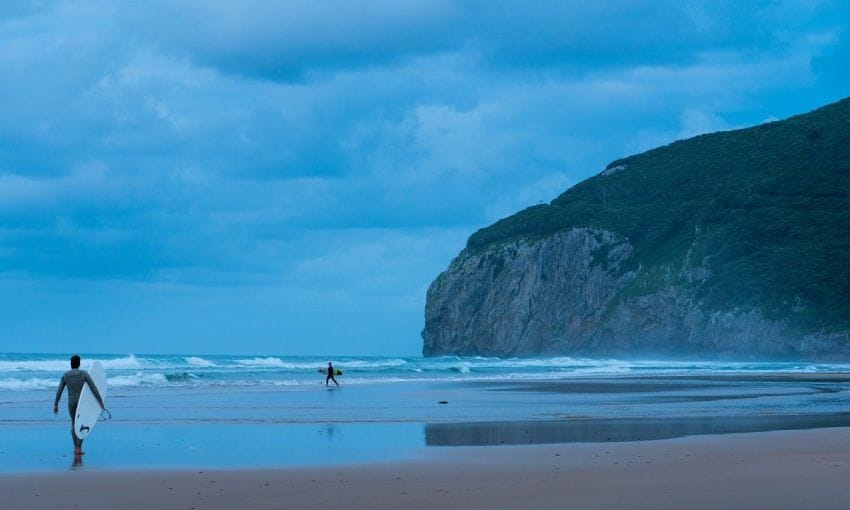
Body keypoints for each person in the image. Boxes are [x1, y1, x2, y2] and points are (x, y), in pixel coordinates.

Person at [53, 354, 104, 456]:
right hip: (82, 403)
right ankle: (80, 448)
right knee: (82, 423)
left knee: (73, 423)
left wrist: (56, 404)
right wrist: (100, 401)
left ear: (71, 364)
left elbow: (59, 390)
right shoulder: (83, 374)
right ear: (79, 363)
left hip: (71, 402)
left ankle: (75, 447)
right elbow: (93, 388)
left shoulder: (66, 375)